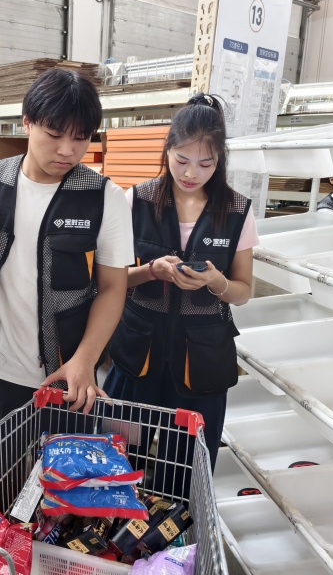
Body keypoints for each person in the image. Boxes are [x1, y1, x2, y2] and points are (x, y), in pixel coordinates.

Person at [0, 70, 134, 510]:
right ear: (27, 123)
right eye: (55, 134)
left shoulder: (103, 197)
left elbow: (114, 287)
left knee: (66, 504)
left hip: (69, 379)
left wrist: (86, 360)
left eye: (81, 138)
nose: (67, 150)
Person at [103, 93, 258, 499]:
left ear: (220, 160)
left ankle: (173, 534)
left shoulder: (237, 211)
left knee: (185, 475)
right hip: (138, 357)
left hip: (201, 366)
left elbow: (243, 291)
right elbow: (111, 280)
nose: (191, 173)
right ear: (167, 150)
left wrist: (215, 282)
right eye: (181, 159)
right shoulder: (136, 200)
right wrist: (150, 271)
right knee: (117, 460)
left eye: (206, 164)